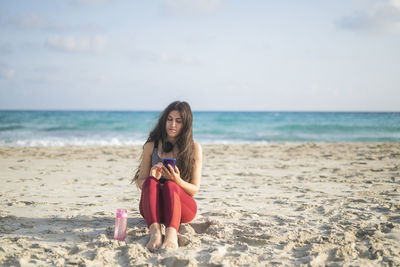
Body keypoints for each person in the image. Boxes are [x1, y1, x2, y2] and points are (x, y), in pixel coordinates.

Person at [132, 101, 202, 251]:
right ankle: (155, 234)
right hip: (154, 209)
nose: (173, 125)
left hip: (182, 208)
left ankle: (171, 235)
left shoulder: (194, 148)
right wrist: (153, 178)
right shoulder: (151, 146)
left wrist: (177, 180)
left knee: (171, 185)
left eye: (178, 121)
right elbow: (140, 181)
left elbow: (194, 190)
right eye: (169, 119)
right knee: (150, 181)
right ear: (164, 121)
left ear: (186, 124)